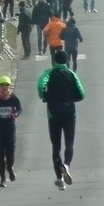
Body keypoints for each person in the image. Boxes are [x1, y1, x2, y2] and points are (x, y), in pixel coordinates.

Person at [37, 50, 86, 190]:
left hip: (53, 111)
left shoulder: (48, 73)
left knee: (56, 145)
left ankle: (59, 177)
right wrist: (73, 99)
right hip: (69, 111)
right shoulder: (71, 74)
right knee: (69, 143)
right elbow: (82, 94)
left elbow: (41, 85)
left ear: (54, 60)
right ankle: (67, 165)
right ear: (66, 61)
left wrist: (44, 96)